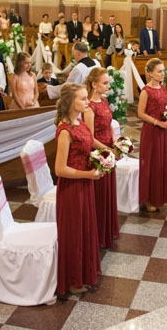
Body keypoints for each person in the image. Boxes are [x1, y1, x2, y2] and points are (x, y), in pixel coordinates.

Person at [54, 83, 111, 296]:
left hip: (85, 185)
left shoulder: (80, 122)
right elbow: (60, 169)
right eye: (83, 99)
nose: (87, 102)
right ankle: (72, 279)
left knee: (85, 229)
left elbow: (90, 140)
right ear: (71, 102)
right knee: (74, 233)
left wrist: (109, 151)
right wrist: (88, 175)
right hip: (72, 189)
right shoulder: (65, 131)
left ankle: (83, 274)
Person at [83, 67, 120, 248]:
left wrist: (116, 143)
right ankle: (97, 235)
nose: (108, 86)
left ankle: (107, 231)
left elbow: (109, 125)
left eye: (108, 83)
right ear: (94, 84)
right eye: (105, 83)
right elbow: (90, 138)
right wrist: (108, 150)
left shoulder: (104, 100)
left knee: (108, 193)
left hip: (109, 150)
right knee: (100, 195)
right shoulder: (89, 107)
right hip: (99, 155)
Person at [137, 58, 167, 211]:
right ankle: (148, 199)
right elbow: (140, 113)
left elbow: (162, 107)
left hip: (162, 130)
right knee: (150, 164)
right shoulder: (146, 91)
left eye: (163, 71)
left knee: (160, 164)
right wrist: (158, 123)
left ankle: (159, 196)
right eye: (159, 71)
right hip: (151, 131)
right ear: (150, 73)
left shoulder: (162, 88)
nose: (162, 74)